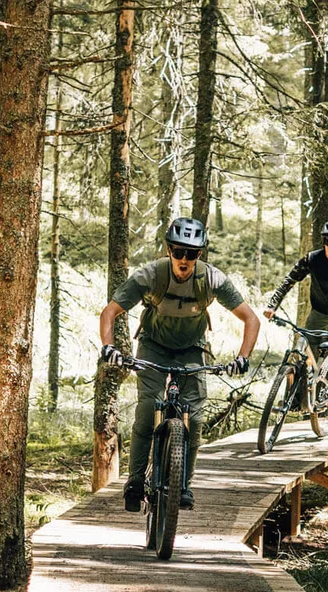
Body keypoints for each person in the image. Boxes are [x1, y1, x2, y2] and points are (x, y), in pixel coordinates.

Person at [97, 217, 261, 512]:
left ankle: (183, 485)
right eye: (178, 251)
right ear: (168, 250)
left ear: (200, 254)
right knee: (148, 409)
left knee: (194, 419)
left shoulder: (211, 279)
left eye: (192, 253)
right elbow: (109, 312)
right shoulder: (152, 275)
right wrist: (109, 348)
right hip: (153, 346)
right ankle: (135, 480)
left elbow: (251, 318)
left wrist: (243, 358)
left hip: (191, 349)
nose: (184, 259)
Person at [262, 220, 328, 410]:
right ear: (323, 242)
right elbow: (289, 280)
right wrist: (272, 305)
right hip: (319, 312)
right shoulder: (312, 259)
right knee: (303, 354)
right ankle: (295, 400)